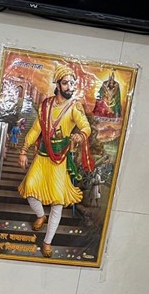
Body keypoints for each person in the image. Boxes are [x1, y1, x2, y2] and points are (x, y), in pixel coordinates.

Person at [18, 64, 93, 258]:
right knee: (30, 189)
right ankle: (40, 216)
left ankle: (47, 242)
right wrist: (24, 150)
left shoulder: (74, 107)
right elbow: (36, 129)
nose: (70, 87)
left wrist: (80, 135)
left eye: (72, 83)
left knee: (58, 203)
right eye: (66, 83)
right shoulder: (46, 105)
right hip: (42, 157)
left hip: (60, 160)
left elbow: (85, 126)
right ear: (58, 85)